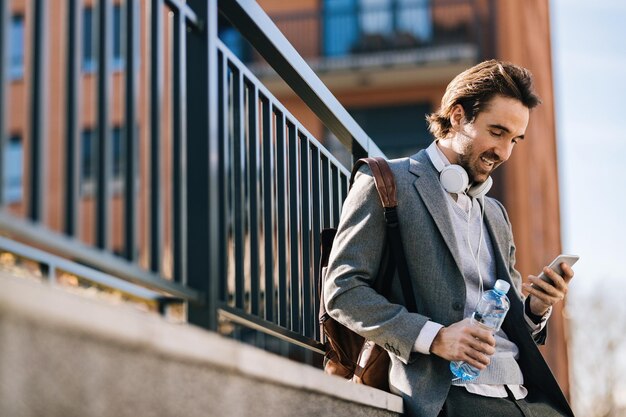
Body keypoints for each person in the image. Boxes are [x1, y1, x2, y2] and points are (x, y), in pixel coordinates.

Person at [323, 60, 575, 417]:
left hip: (528, 398)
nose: (504, 153)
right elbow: (343, 291)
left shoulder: (496, 214)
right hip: (450, 397)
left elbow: (508, 319)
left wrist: (535, 309)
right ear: (457, 116)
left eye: (514, 140)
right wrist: (435, 337)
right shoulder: (386, 183)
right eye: (497, 132)